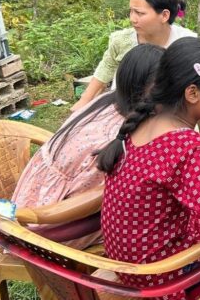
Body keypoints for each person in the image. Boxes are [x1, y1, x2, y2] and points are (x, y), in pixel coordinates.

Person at [96, 37, 200, 300]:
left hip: (129, 265)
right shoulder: (188, 145)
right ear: (192, 93)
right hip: (164, 276)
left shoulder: (143, 123)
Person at [11, 44, 163, 248]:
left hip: (28, 203)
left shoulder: (105, 101)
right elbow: (98, 198)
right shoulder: (120, 138)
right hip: (49, 228)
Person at [72, 0, 196, 112]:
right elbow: (106, 69)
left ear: (164, 15)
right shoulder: (122, 40)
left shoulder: (186, 42)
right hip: (122, 111)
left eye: (140, 13)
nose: (132, 18)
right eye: (131, 11)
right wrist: (84, 101)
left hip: (168, 113)